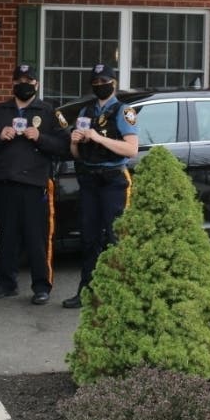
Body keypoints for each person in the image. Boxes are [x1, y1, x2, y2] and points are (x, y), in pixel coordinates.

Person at [0, 64, 68, 305]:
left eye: (29, 81)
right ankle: (6, 284)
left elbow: (65, 147)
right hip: (5, 182)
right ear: (13, 83)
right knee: (6, 237)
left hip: (35, 184)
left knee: (36, 238)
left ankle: (41, 286)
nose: (24, 84)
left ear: (36, 84)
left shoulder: (48, 112)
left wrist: (40, 137)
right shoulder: (0, 111)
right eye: (19, 80)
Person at [62, 63, 138, 309]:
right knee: (89, 238)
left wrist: (98, 138)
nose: (99, 86)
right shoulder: (86, 111)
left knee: (115, 237)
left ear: (113, 83)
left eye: (104, 82)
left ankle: (119, 295)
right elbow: (77, 154)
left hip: (113, 180)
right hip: (89, 180)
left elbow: (131, 149)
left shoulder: (124, 111)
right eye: (95, 83)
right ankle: (87, 292)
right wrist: (74, 142)